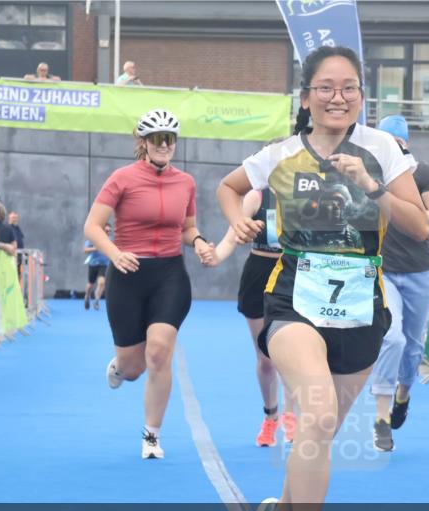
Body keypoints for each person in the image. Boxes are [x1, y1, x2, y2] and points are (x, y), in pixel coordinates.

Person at [216, 46, 427, 511]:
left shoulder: (383, 149)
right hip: (294, 301)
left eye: (349, 87)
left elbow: (419, 226)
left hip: (360, 310)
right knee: (319, 414)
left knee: (317, 434)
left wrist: (371, 186)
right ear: (306, 97)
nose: (339, 97)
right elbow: (230, 187)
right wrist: (236, 221)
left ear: (362, 95)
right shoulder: (283, 153)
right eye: (326, 88)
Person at [84, 108, 215, 460]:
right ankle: (119, 366)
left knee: (158, 351)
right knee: (133, 368)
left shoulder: (185, 182)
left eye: (170, 139)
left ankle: (152, 436)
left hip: (169, 275)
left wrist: (199, 242)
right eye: (157, 139)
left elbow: (187, 227)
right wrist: (115, 254)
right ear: (143, 142)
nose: (164, 145)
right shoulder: (122, 178)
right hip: (127, 274)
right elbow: (92, 226)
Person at [369, 115, 429, 452]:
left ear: (404, 143)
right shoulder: (369, 176)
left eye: (396, 143)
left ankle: (403, 393)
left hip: (419, 271)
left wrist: (404, 209)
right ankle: (381, 418)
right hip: (383, 271)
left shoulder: (422, 174)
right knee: (391, 338)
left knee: (413, 346)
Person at [209, 186, 298, 447]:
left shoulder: (307, 194)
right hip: (258, 274)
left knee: (292, 355)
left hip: (291, 275)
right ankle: (270, 416)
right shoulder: (257, 197)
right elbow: (232, 236)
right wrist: (214, 257)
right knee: (266, 359)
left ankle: (291, 417)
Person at [83, 223, 111, 310]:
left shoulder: (110, 240)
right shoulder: (93, 239)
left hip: (104, 264)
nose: (108, 233)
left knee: (102, 282)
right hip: (93, 264)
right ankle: (87, 296)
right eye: (106, 231)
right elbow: (85, 250)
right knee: (90, 284)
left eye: (109, 231)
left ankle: (96, 300)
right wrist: (95, 248)